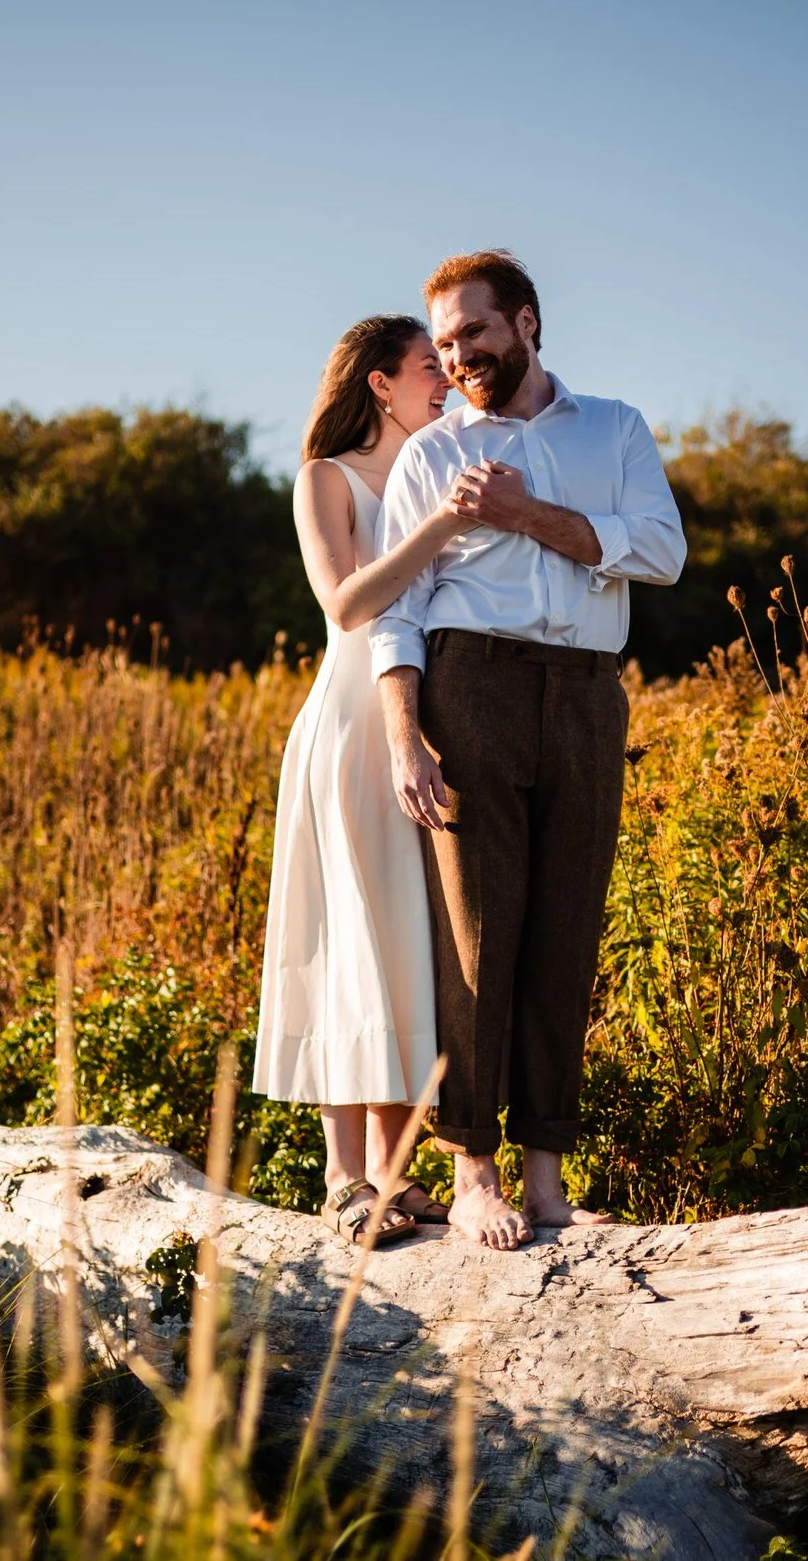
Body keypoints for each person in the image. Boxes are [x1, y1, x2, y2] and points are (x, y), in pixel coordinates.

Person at [371, 251, 687, 1251]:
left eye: (475, 331)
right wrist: (404, 732)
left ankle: (548, 1180)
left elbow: (662, 550)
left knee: (565, 930)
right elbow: (393, 608)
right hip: (474, 689)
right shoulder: (430, 455)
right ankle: (473, 1172)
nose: (460, 353)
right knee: (476, 938)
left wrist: (526, 517)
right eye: (447, 340)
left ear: (526, 322)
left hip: (589, 696)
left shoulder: (615, 428)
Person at [251, 314, 476, 1246]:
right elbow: (346, 602)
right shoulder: (326, 480)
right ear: (381, 385)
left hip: (421, 729)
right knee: (348, 935)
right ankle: (343, 1178)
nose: (450, 380)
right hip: (348, 727)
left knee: (407, 941)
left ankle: (393, 1177)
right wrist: (444, 524)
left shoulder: (439, 465)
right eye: (432, 367)